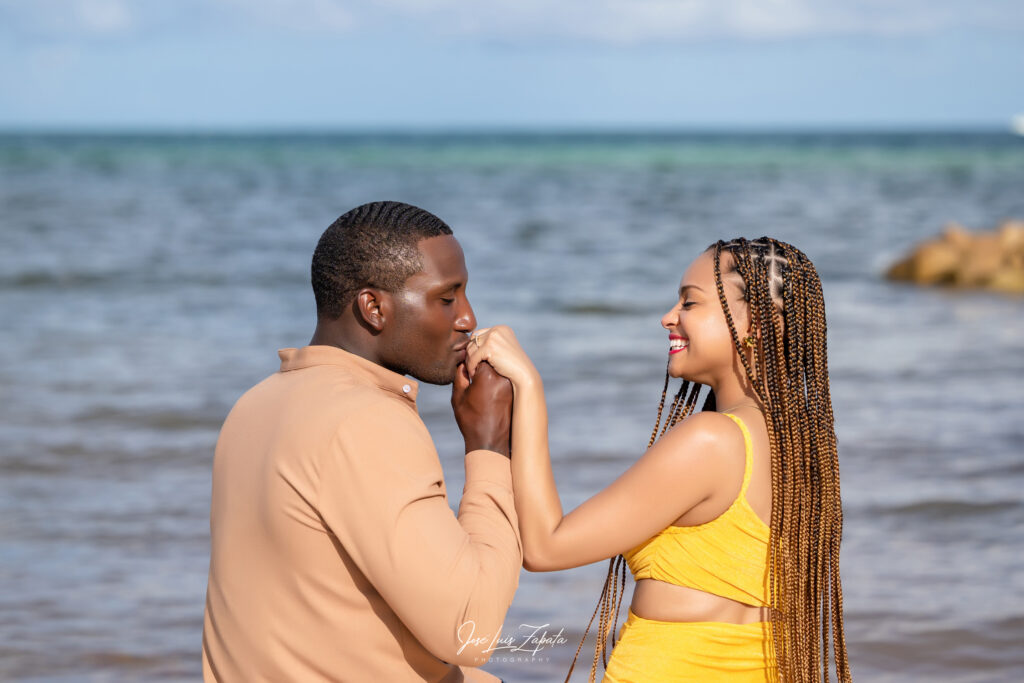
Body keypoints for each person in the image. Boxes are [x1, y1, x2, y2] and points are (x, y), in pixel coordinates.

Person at [465, 237, 852, 682]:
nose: (668, 317)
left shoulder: (714, 440)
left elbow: (545, 545)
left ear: (757, 323)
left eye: (690, 302)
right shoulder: (802, 446)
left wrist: (527, 387)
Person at [202, 201, 523, 682]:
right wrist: (490, 448)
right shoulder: (367, 419)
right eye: (446, 298)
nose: (468, 318)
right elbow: (469, 629)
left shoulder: (254, 404)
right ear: (373, 307)